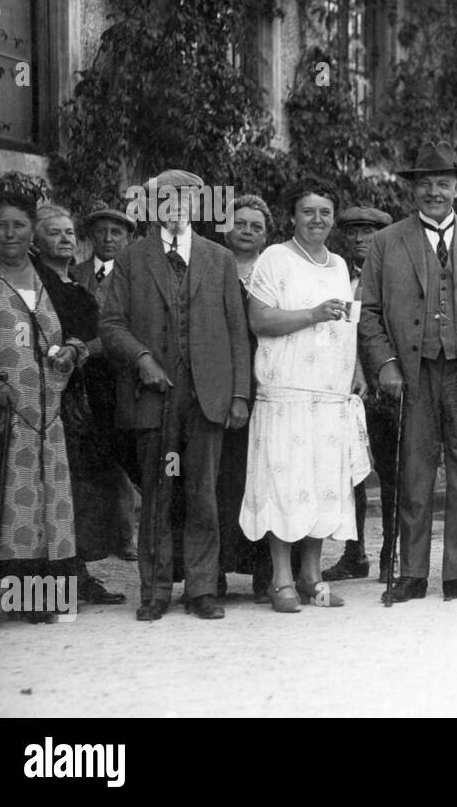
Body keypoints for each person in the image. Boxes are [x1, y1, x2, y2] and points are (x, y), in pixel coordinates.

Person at [360, 141, 457, 603]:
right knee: (414, 474)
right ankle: (411, 573)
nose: (434, 192)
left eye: (443, 184)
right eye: (425, 184)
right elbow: (368, 313)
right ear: (414, 189)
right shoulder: (388, 242)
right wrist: (385, 364)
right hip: (413, 374)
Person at [100, 169, 251, 621]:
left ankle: (203, 589)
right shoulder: (132, 258)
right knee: (159, 494)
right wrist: (142, 358)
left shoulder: (218, 258)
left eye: (187, 198)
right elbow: (110, 325)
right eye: (165, 198)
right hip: (153, 398)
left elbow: (237, 333)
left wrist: (240, 394)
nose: (177, 206)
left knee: (204, 494)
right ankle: (156, 591)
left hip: (207, 398)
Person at [239, 185, 371, 612]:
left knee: (320, 487)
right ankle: (281, 579)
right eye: (307, 212)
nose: (317, 219)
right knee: (285, 483)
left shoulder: (338, 266)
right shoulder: (275, 258)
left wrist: (354, 371)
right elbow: (258, 319)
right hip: (286, 394)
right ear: (292, 217)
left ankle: (312, 577)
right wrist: (313, 314)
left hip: (329, 397)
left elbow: (346, 324)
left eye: (325, 212)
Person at [0, 193, 88, 628]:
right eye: (0, 225)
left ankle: (35, 597)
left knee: (43, 508)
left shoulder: (50, 278)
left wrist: (73, 352)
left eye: (18, 225)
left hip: (47, 418)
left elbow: (85, 326)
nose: (10, 234)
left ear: (31, 232)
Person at [32, 205, 128, 607]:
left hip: (84, 403)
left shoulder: (76, 287)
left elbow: (104, 336)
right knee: (47, 490)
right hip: (44, 400)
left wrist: (83, 350)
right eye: (55, 233)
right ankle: (45, 582)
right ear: (37, 242)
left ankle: (78, 574)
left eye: (70, 232)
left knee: (80, 490)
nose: (66, 239)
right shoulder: (35, 286)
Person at [321, 204, 394, 583]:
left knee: (389, 467)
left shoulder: (395, 276)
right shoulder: (332, 274)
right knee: (348, 472)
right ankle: (355, 552)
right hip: (339, 387)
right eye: (353, 232)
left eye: (369, 232)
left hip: (384, 388)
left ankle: (390, 552)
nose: (361, 239)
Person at [75, 207, 142, 563]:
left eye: (116, 233)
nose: (108, 239)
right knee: (89, 457)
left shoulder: (134, 278)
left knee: (123, 452)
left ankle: (124, 536)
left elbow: (127, 328)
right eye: (101, 232)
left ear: (127, 238)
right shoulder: (75, 274)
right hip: (81, 378)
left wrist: (88, 348)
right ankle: (90, 538)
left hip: (119, 376)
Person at [216, 194, 274, 601]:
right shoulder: (210, 265)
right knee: (224, 478)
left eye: (256, 226)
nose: (248, 231)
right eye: (241, 223)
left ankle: (264, 573)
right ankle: (214, 570)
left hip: (268, 380)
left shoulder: (274, 270)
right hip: (224, 383)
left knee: (265, 476)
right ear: (225, 227)